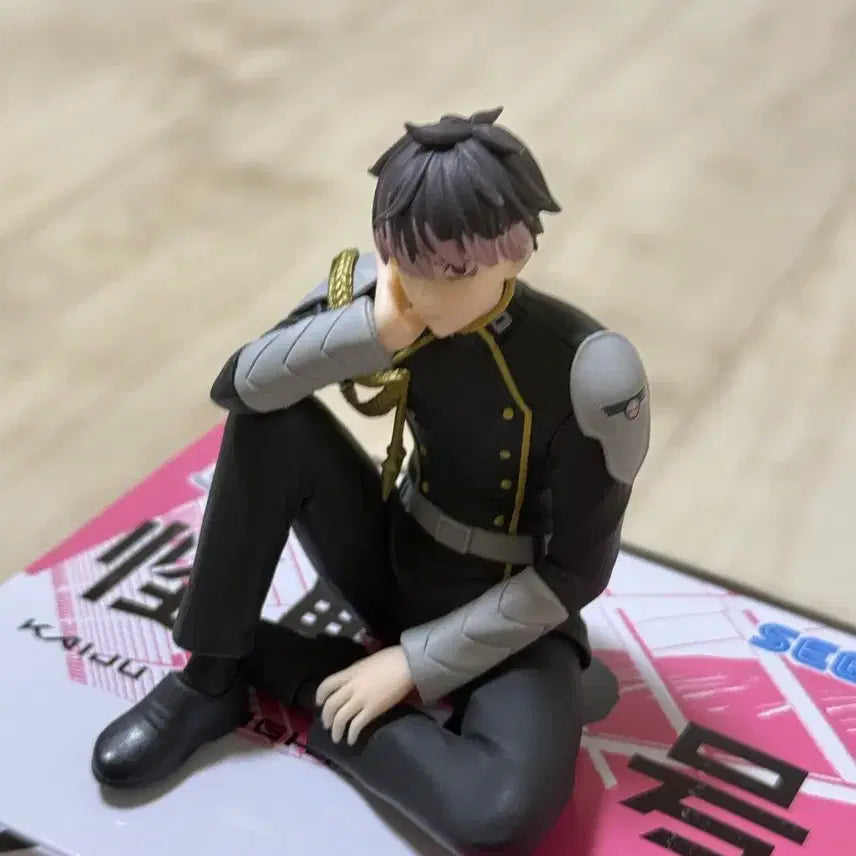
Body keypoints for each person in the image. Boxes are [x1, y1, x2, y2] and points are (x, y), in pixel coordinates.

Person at [91, 107, 650, 855]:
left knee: (499, 816)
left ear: (514, 251)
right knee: (272, 423)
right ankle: (211, 678)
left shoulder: (589, 369)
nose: (425, 292)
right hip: (393, 553)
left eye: (455, 271)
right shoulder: (377, 298)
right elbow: (240, 388)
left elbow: (576, 572)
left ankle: (290, 667)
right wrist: (372, 331)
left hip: (512, 612)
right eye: (406, 259)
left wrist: (412, 665)